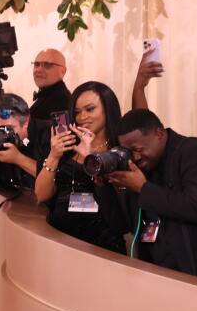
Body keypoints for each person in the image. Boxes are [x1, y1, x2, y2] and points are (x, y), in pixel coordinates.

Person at [99, 109, 197, 287]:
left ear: (159, 134)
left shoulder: (194, 150)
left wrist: (143, 188)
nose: (134, 156)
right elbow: (121, 225)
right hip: (162, 277)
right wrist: (105, 186)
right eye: (128, 151)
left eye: (138, 149)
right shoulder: (139, 167)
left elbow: (196, 207)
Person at [34, 81, 127, 254]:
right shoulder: (66, 147)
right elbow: (41, 194)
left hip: (101, 245)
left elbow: (121, 210)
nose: (82, 117)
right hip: (59, 238)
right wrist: (53, 155)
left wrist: (90, 158)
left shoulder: (120, 151)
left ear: (108, 108)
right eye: (77, 112)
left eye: (90, 109)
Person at [28, 48, 70, 122]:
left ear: (62, 71)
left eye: (47, 65)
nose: (38, 70)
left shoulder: (61, 101)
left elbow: (62, 133)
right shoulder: (47, 96)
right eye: (36, 64)